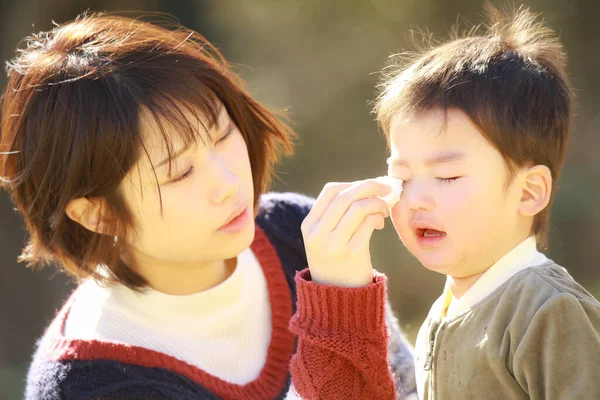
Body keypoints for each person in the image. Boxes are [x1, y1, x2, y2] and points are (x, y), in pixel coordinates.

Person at [0, 12, 417, 400]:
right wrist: (335, 310)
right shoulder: (88, 385)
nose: (230, 183)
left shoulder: (295, 232)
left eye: (222, 135)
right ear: (99, 213)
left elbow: (413, 387)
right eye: (180, 172)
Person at [297, 4, 600, 399]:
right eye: (402, 177)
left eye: (447, 177)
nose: (416, 198)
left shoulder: (549, 310)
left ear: (528, 192)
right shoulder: (443, 313)